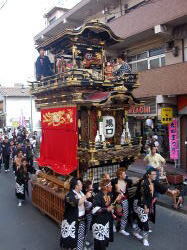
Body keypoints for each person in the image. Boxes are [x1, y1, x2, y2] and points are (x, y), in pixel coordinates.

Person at [133, 167, 176, 247]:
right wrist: (145, 207)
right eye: (154, 174)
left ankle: (135, 232)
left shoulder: (153, 182)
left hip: (148, 205)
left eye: (156, 174)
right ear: (149, 175)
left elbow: (161, 187)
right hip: (141, 205)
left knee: (142, 221)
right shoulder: (144, 183)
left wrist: (171, 191)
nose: (155, 175)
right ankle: (145, 240)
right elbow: (143, 197)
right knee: (145, 224)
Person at [60, 178, 92, 250]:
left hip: (82, 219)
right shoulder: (69, 195)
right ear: (76, 186)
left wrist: (88, 203)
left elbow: (84, 203)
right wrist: (86, 196)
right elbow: (76, 203)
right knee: (72, 239)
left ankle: (79, 247)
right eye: (80, 184)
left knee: (80, 237)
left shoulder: (81, 193)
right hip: (73, 221)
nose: (82, 185)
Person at [92, 179, 121, 250]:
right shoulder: (98, 196)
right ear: (105, 187)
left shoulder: (109, 194)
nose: (112, 186)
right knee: (99, 243)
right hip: (99, 222)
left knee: (105, 242)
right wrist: (106, 209)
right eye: (110, 185)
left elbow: (111, 206)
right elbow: (94, 209)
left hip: (107, 220)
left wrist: (117, 202)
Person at [112, 168, 135, 237]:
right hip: (117, 200)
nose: (125, 175)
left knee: (125, 214)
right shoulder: (114, 181)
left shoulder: (127, 181)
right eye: (124, 174)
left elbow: (133, 184)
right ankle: (114, 225)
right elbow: (112, 188)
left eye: (125, 173)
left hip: (124, 200)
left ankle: (122, 229)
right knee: (116, 214)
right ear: (120, 175)